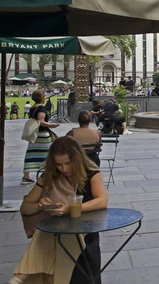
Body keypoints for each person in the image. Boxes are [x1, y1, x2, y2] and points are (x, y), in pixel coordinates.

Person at [11, 137, 108, 284]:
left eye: (68, 163)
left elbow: (102, 201)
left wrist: (70, 209)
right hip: (57, 230)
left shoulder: (91, 173)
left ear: (77, 158)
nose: (64, 169)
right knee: (49, 234)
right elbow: (26, 206)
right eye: (59, 164)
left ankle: (22, 276)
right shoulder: (50, 176)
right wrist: (39, 206)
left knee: (62, 237)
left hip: (85, 230)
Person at [22, 90, 59, 185]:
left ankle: (26, 175)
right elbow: (41, 121)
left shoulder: (32, 107)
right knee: (48, 154)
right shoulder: (41, 108)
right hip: (42, 134)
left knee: (30, 153)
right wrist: (52, 125)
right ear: (42, 97)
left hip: (35, 134)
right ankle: (48, 174)